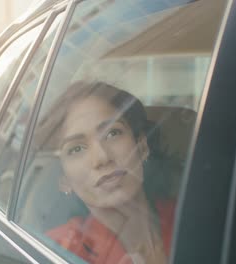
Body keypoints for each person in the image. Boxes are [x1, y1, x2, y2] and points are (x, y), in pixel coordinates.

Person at [35, 82, 180, 264]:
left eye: (113, 133)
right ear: (64, 180)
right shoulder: (57, 250)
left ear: (142, 147)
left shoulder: (190, 215)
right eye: (76, 149)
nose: (102, 158)